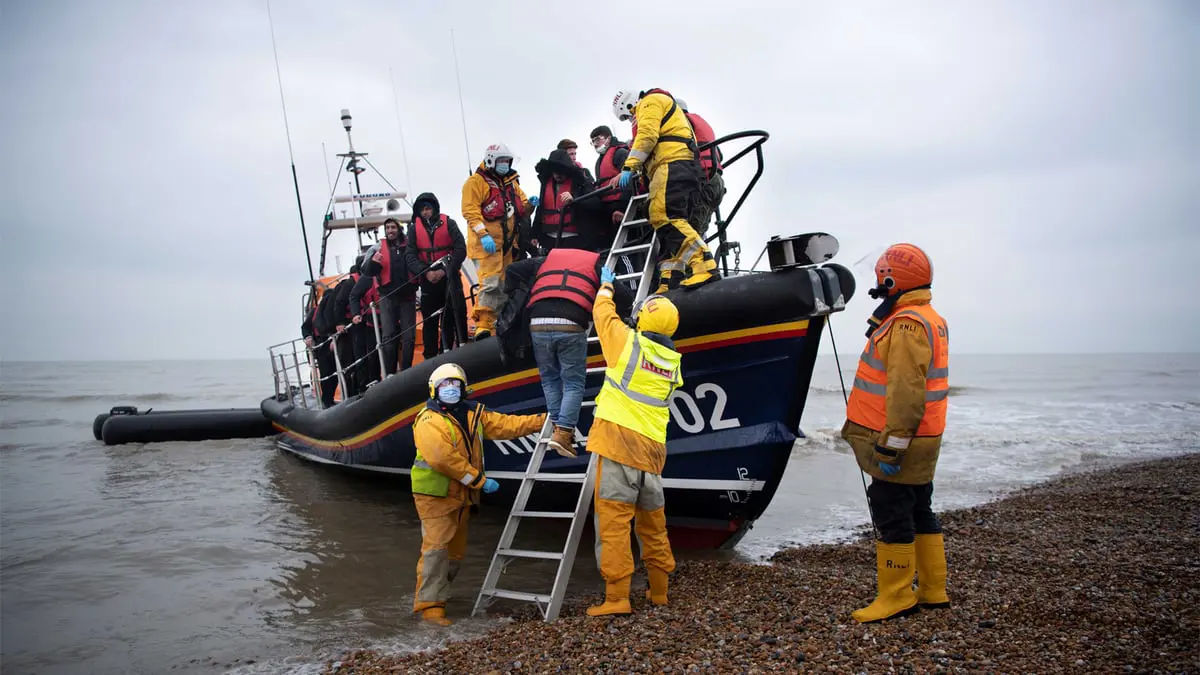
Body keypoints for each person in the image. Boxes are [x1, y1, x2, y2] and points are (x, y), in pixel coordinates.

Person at [842, 243, 951, 624]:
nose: (877, 281)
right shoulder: (927, 316)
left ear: (893, 279)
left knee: (891, 511)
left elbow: (906, 391)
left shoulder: (907, 325)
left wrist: (892, 446)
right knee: (920, 507)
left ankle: (896, 595)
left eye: (881, 275)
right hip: (926, 437)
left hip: (901, 440)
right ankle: (934, 590)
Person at [411, 363, 547, 626]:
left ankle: (440, 595)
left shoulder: (474, 413)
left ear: (463, 388)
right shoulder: (428, 421)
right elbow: (442, 458)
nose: (450, 389)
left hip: (462, 495)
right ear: (434, 390)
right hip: (436, 495)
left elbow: (506, 426)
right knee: (436, 550)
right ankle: (429, 607)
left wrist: (543, 420)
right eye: (444, 385)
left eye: (455, 385)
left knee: (455, 554)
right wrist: (478, 481)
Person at [585, 277, 683, 617]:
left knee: (613, 526)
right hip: (653, 456)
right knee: (653, 527)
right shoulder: (673, 363)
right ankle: (659, 593)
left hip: (618, 448)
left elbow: (602, 315)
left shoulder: (627, 344)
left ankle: (616, 599)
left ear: (642, 319)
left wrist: (607, 287)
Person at [611, 88, 717, 293]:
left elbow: (647, 136)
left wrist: (628, 167)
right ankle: (671, 278)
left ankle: (703, 263)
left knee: (665, 216)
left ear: (630, 104)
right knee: (665, 225)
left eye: (627, 115)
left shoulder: (649, 102)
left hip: (671, 164)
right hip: (676, 166)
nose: (630, 120)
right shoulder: (659, 103)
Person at [461, 143, 537, 341]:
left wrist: (531, 205)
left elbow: (521, 208)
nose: (505, 165)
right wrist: (483, 234)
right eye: (501, 161)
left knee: (505, 284)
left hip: (507, 245)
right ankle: (483, 326)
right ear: (491, 160)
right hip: (486, 245)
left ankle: (499, 323)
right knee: (491, 282)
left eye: (507, 161)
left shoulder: (511, 183)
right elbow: (470, 211)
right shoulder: (475, 182)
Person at [405, 192, 469, 358]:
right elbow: (410, 256)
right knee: (430, 321)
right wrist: (426, 273)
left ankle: (459, 349)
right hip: (428, 280)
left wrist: (444, 271)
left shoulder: (449, 224)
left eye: (428, 208)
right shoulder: (413, 231)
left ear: (434, 208)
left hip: (449, 276)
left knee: (456, 313)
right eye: (422, 210)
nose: (425, 212)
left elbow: (461, 249)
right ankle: (431, 356)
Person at [360, 219, 418, 373]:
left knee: (409, 336)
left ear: (399, 229)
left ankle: (407, 369)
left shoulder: (410, 245)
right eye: (387, 228)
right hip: (387, 296)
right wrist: (373, 262)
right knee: (389, 336)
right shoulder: (377, 248)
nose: (390, 230)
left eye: (393, 227)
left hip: (408, 296)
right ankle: (390, 372)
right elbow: (365, 270)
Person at [674, 98, 725, 239]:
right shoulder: (700, 123)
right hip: (716, 182)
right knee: (698, 230)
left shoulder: (681, 123)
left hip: (701, 182)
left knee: (690, 236)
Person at [532, 149, 596, 252]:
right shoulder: (546, 183)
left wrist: (575, 200)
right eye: (555, 171)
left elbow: (594, 203)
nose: (558, 175)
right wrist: (534, 234)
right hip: (549, 240)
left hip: (574, 239)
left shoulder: (580, 182)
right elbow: (541, 209)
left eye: (562, 172)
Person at [324, 264, 363, 397]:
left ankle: (358, 388)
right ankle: (349, 394)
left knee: (358, 359)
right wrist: (335, 330)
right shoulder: (347, 286)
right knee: (347, 362)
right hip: (344, 329)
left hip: (360, 326)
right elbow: (337, 305)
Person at [589, 125, 632, 233]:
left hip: (623, 206)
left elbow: (631, 179)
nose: (595, 144)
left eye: (597, 140)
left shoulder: (620, 153)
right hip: (607, 208)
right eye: (593, 142)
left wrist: (622, 208)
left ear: (608, 138)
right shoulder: (599, 162)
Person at [347, 265, 382, 392]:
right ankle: (367, 383)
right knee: (367, 353)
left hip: (388, 318)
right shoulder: (353, 284)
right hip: (367, 323)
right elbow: (348, 299)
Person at [301, 289, 337, 408]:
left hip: (336, 342)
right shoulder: (315, 312)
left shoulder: (335, 309)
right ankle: (327, 399)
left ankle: (330, 398)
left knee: (337, 373)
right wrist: (308, 337)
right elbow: (306, 327)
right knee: (326, 373)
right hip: (321, 346)